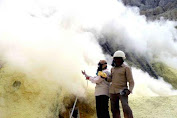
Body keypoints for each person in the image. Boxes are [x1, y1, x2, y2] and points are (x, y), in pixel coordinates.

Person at [108, 50, 134, 118]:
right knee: (114, 109)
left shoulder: (126, 68)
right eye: (116, 58)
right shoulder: (112, 69)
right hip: (112, 91)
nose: (117, 60)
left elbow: (131, 81)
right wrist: (105, 77)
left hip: (122, 91)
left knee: (125, 107)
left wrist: (129, 90)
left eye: (119, 58)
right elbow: (110, 79)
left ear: (122, 59)